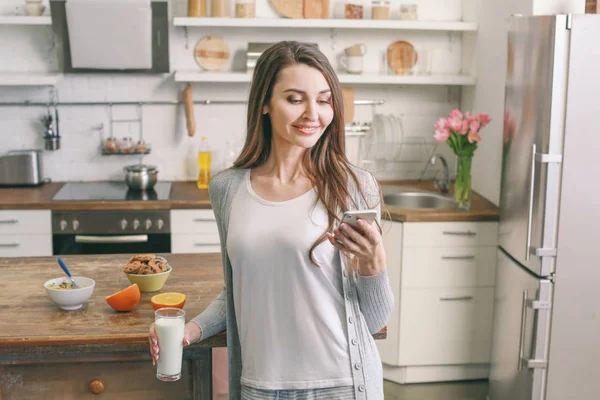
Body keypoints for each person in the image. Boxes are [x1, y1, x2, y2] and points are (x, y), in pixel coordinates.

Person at [149, 41, 394, 400]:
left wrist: (375, 262)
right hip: (259, 387)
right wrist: (191, 330)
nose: (313, 113)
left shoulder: (353, 187)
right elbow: (242, 288)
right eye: (295, 99)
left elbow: (373, 321)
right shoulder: (227, 189)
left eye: (324, 100)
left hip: (342, 384)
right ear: (264, 103)